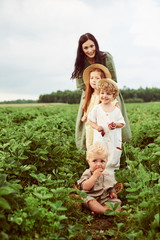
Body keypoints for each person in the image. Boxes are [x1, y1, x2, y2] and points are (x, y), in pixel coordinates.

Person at [71, 33, 131, 151]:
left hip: (108, 93)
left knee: (111, 122)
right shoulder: (80, 62)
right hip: (90, 94)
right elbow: (83, 86)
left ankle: (115, 152)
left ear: (96, 45)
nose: (90, 50)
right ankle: (93, 155)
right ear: (81, 50)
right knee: (91, 124)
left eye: (92, 46)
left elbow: (112, 79)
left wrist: (104, 97)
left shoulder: (105, 57)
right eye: (86, 48)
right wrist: (93, 101)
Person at [88, 79, 125, 177]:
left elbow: (122, 123)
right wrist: (97, 126)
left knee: (112, 158)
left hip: (113, 140)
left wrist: (115, 125)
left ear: (114, 96)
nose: (104, 96)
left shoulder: (116, 110)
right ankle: (98, 177)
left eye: (108, 94)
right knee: (100, 155)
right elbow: (91, 121)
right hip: (100, 139)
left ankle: (111, 181)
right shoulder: (97, 108)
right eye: (102, 93)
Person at [77, 142, 121, 215]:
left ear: (106, 162)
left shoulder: (106, 173)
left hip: (104, 199)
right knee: (89, 201)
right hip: (92, 197)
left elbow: (110, 185)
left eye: (102, 161)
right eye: (94, 161)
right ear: (89, 162)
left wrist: (112, 192)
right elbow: (85, 187)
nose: (98, 164)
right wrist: (94, 176)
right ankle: (104, 211)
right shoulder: (88, 173)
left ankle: (101, 210)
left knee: (117, 203)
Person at [81, 63, 118, 149]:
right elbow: (87, 107)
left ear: (103, 80)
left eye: (97, 78)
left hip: (101, 126)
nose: (94, 80)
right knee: (90, 145)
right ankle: (92, 161)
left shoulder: (104, 95)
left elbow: (115, 106)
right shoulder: (89, 94)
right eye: (91, 78)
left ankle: (102, 161)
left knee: (102, 145)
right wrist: (85, 115)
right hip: (90, 126)